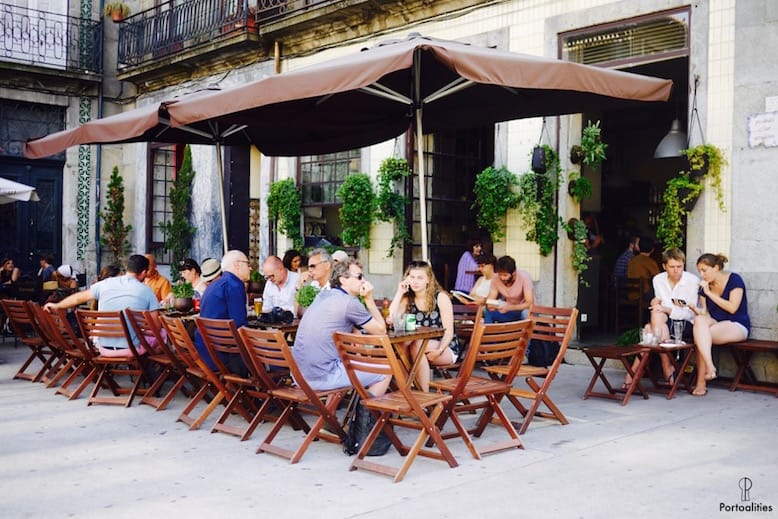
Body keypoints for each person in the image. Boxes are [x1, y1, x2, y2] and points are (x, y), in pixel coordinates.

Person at [292, 258, 391, 396]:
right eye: (359, 277)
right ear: (343, 280)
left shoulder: (323, 295)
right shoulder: (349, 302)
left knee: (349, 361)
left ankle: (340, 411)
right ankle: (366, 414)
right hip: (322, 377)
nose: (364, 281)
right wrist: (369, 299)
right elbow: (381, 331)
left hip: (298, 375)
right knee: (387, 370)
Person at [44, 254, 159, 357]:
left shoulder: (105, 283)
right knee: (162, 334)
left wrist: (57, 305)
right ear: (144, 272)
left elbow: (79, 297)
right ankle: (154, 373)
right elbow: (155, 327)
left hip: (103, 349)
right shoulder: (147, 291)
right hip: (131, 350)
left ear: (127, 269)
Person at [623, 248, 699, 389]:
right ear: (664, 266)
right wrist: (656, 303)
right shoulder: (658, 279)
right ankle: (667, 366)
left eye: (679, 267)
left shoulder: (692, 281)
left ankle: (631, 377)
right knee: (654, 320)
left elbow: (691, 313)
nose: (676, 270)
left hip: (685, 324)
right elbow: (659, 303)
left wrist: (667, 309)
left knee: (648, 330)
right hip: (663, 324)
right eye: (672, 267)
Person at [388, 260, 459, 392]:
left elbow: (449, 333)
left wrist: (439, 350)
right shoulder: (407, 298)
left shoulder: (440, 297)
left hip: (444, 347)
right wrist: (399, 293)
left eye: (420, 278)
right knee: (401, 347)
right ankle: (406, 394)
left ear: (428, 280)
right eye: (412, 277)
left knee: (416, 344)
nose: (415, 281)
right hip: (416, 349)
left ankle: (422, 396)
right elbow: (391, 319)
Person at [689, 253, 750, 397]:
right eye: (699, 271)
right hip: (716, 323)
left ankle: (701, 382)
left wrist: (709, 293)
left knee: (701, 336)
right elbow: (706, 314)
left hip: (737, 324)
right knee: (699, 322)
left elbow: (732, 308)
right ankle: (710, 367)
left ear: (716, 267)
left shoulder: (734, 280)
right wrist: (696, 310)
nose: (701, 274)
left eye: (704, 270)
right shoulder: (704, 287)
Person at [193, 250, 252, 375]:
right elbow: (240, 324)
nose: (250, 268)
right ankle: (269, 391)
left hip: (205, 352)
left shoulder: (214, 285)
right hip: (224, 356)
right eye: (247, 263)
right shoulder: (234, 284)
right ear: (237, 265)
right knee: (272, 355)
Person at [484, 255, 534, 323]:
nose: (502, 278)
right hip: (508, 309)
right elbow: (490, 299)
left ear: (514, 273)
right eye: (500, 274)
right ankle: (488, 332)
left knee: (525, 313)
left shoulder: (524, 277)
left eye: (505, 275)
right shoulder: (496, 279)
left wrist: (509, 307)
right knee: (487, 310)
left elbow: (529, 303)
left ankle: (525, 333)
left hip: (523, 308)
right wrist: (491, 305)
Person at [626, 236, 660, 301]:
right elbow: (658, 277)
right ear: (652, 249)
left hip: (630, 294)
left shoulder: (632, 260)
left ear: (639, 247)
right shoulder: (650, 261)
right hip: (643, 295)